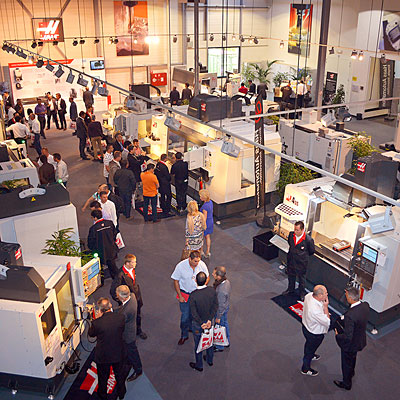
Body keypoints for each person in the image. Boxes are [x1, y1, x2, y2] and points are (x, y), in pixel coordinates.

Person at [87, 297, 126, 400]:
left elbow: (91, 334)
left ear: (100, 310)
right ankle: (122, 393)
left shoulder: (97, 323)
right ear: (110, 306)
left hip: (103, 356)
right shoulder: (121, 317)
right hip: (118, 352)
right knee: (119, 374)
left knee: (103, 377)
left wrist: (97, 319)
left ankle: (103, 396)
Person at [334, 287, 370, 390]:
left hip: (350, 345)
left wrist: (337, 335)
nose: (346, 298)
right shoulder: (365, 305)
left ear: (350, 298)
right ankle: (351, 372)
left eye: (346, 296)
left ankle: (346, 383)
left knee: (346, 363)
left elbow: (348, 336)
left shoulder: (350, 316)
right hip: (359, 340)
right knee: (353, 358)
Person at [171, 250, 209, 345]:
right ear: (190, 259)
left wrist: (202, 286)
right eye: (195, 261)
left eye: (198, 261)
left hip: (196, 295)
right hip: (185, 295)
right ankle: (184, 335)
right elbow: (176, 281)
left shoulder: (202, 265)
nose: (197, 263)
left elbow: (207, 277)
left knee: (194, 315)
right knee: (185, 317)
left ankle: (191, 328)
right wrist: (180, 296)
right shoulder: (180, 266)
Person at [111, 254, 147, 340]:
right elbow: (113, 291)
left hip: (136, 295)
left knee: (138, 314)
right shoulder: (120, 275)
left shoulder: (132, 269)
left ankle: (138, 330)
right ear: (127, 263)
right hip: (128, 299)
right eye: (133, 262)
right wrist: (121, 301)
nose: (135, 264)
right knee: (129, 318)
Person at [189, 271, 218, 372]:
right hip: (209, 322)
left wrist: (202, 323)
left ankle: (199, 365)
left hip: (198, 324)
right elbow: (215, 306)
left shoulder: (193, 295)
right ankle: (210, 360)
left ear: (196, 281)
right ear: (206, 281)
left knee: (198, 344)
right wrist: (209, 320)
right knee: (209, 341)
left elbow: (194, 313)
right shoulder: (212, 290)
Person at [301, 285, 330, 377]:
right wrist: (325, 307)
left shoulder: (309, 295)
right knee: (309, 349)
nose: (327, 294)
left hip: (306, 327)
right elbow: (327, 322)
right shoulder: (315, 311)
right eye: (325, 293)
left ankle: (311, 354)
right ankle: (305, 369)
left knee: (309, 346)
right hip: (314, 334)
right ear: (320, 295)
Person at [116, 285, 143, 382]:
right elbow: (122, 308)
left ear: (122, 297)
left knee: (132, 352)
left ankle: (138, 370)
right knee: (128, 350)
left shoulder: (126, 312)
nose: (116, 296)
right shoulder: (132, 296)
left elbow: (119, 323)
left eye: (117, 295)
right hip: (132, 328)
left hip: (128, 335)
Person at [282, 221, 315, 301]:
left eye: (297, 230)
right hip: (291, 260)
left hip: (301, 263)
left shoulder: (308, 240)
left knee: (301, 279)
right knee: (291, 276)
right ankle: (290, 289)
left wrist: (302, 256)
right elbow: (290, 243)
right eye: (295, 229)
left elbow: (311, 251)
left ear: (302, 230)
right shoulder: (291, 235)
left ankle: (302, 293)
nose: (295, 232)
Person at [87, 209, 119, 279]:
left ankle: (101, 281)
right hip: (111, 248)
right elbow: (115, 233)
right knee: (112, 266)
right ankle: (117, 279)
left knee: (100, 267)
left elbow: (91, 241)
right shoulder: (110, 223)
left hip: (100, 251)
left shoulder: (93, 228)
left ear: (95, 218)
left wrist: (93, 249)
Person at [212, 266, 231, 352]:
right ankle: (227, 340)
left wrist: (218, 317)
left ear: (219, 276)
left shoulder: (221, 291)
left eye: (214, 273)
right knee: (224, 324)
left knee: (219, 328)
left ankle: (219, 346)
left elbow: (220, 305)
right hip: (225, 307)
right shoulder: (226, 282)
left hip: (220, 311)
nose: (212, 274)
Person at [199, 189, 213, 258]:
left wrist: (202, 225)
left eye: (200, 196)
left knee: (201, 237)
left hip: (206, 223)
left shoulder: (205, 207)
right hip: (210, 221)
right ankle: (208, 251)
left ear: (204, 197)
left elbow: (204, 217)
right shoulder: (210, 202)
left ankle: (201, 251)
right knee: (208, 236)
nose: (200, 197)